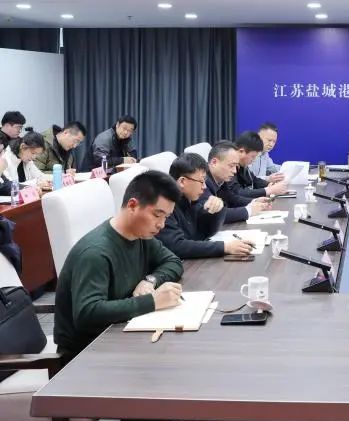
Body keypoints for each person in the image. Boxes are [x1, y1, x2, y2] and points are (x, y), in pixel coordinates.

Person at [54, 170, 184, 360]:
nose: (161, 225)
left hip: (122, 335)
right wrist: (152, 301)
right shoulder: (95, 252)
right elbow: (87, 314)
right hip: (87, 355)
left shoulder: (140, 236)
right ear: (132, 205)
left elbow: (173, 262)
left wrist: (150, 280)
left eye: (166, 217)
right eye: (157, 215)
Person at [156, 153, 254, 259]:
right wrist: (225, 248)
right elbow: (177, 246)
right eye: (201, 181)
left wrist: (218, 209)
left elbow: (206, 231)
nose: (204, 187)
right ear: (182, 181)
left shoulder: (190, 199)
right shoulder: (164, 205)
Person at [205, 141, 271, 223]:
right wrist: (249, 210)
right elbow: (214, 215)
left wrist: (254, 201)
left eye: (236, 166)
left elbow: (232, 199)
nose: (234, 171)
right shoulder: (201, 180)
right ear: (214, 162)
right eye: (231, 166)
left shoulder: (220, 178)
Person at [234, 131, 288, 199]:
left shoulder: (243, 165)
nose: (254, 160)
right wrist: (268, 190)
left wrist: (270, 185)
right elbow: (237, 192)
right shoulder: (230, 166)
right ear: (241, 151)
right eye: (252, 157)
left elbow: (254, 180)